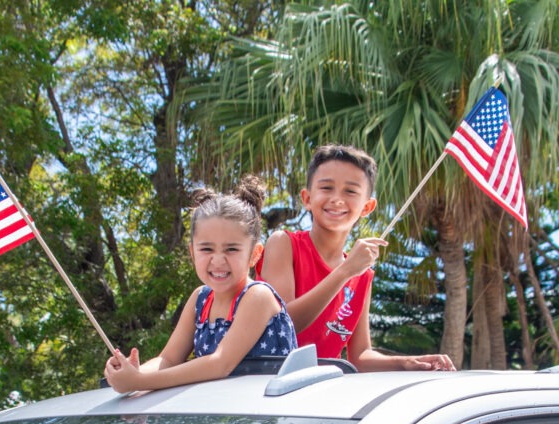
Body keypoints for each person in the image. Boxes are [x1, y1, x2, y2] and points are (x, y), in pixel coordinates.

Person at [257, 144, 455, 372]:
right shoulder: (284, 244)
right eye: (326, 188)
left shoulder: (362, 274)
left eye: (350, 191)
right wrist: (345, 271)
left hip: (320, 392)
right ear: (307, 198)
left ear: (367, 206)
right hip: (271, 385)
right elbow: (284, 324)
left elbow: (359, 356)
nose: (337, 199)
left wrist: (407, 362)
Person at [105, 175, 298, 393]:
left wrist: (139, 383)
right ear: (192, 253)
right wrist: (135, 372)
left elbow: (220, 364)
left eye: (231, 249)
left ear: (254, 254)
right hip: (218, 414)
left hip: (269, 416)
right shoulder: (200, 298)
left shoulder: (258, 296)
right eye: (206, 249)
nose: (217, 260)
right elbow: (168, 359)